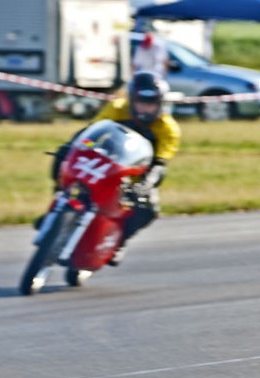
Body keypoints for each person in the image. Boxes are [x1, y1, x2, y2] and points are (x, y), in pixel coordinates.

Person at [48, 71, 181, 265]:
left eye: (151, 103)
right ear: (131, 99)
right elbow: (91, 131)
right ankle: (58, 203)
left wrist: (145, 185)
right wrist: (72, 146)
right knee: (61, 157)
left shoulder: (168, 129)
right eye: (141, 102)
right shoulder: (117, 108)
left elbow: (160, 163)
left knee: (149, 210)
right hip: (103, 162)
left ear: (161, 104)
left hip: (134, 177)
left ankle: (119, 241)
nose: (146, 108)